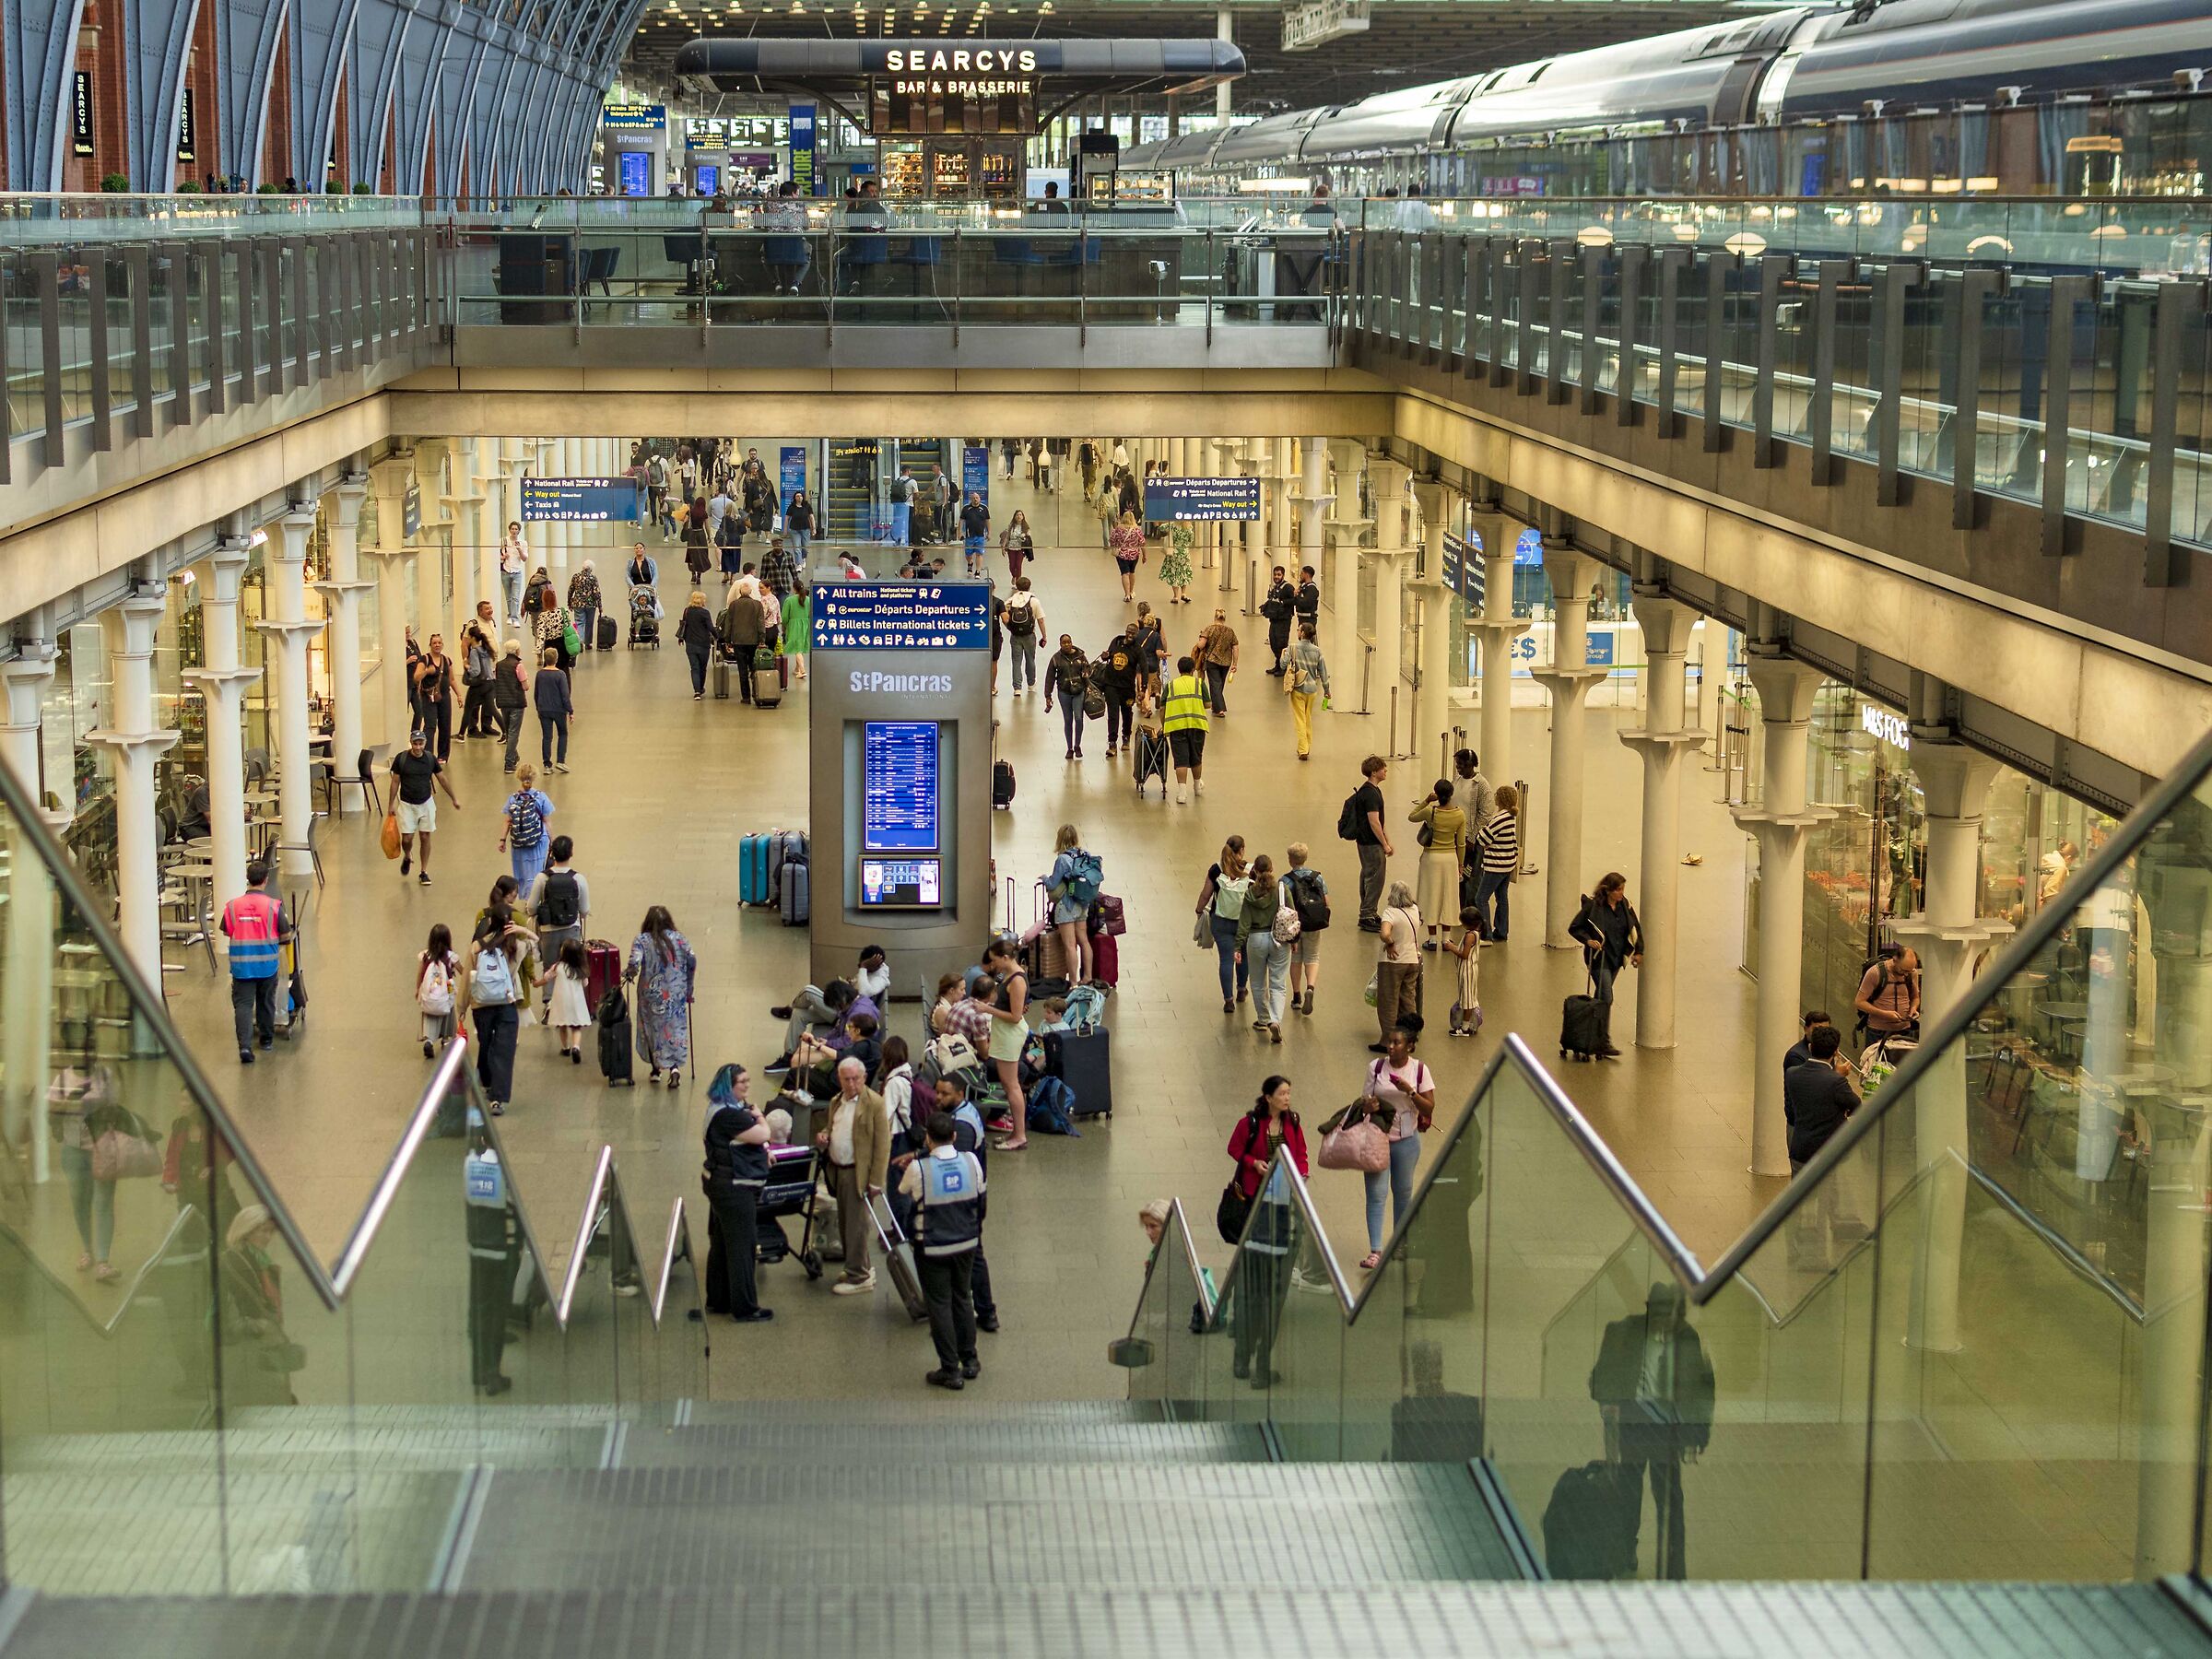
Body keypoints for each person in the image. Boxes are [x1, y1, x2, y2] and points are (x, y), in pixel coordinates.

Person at [1588, 1282, 1712, 1581]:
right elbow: (1599, 1378)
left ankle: (1673, 1566)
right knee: (1628, 1494)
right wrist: (1609, 1406)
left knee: (1670, 1500)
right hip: (1633, 1424)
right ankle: (1624, 1551)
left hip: (1666, 1430)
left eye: (1669, 1314)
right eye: (1657, 1314)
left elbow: (1701, 1389)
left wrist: (1696, 1434)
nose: (1663, 1321)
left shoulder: (1686, 1338)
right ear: (1647, 1311)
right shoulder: (1623, 1332)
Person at [1227, 1077, 1308, 1383]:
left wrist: (1301, 1174)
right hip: (1254, 1206)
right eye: (1282, 1093)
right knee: (1251, 1289)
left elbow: (1301, 1154)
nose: (1287, 1097)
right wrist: (1253, 1163)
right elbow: (1235, 1149)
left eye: (1289, 1092)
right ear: (1268, 1097)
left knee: (1271, 1297)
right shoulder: (1250, 1123)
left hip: (1282, 1209)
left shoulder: (1293, 1122)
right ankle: (1243, 1357)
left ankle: (1260, 1363)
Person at [902, 1111, 985, 1389]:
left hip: (932, 1246)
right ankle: (970, 1359)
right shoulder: (971, 1161)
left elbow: (904, 1191)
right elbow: (981, 1199)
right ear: (954, 1136)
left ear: (928, 1139)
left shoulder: (920, 1169)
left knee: (939, 1304)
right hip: (967, 1242)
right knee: (962, 1298)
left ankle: (950, 1369)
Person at [701, 1064, 775, 1324]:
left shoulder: (718, 1108)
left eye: (747, 1080)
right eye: (741, 1082)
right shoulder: (730, 1115)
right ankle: (745, 1307)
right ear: (728, 1085)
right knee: (743, 1247)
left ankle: (718, 1299)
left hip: (718, 1182)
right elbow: (764, 1134)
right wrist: (760, 1116)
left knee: (722, 1243)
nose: (747, 1085)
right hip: (734, 1187)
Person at [1359, 1017, 1435, 1270]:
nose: (1390, 1047)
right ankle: (1375, 1251)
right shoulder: (1376, 1067)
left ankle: (1400, 1243)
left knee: (1403, 1193)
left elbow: (1429, 1106)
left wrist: (1409, 1091)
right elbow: (1363, 1102)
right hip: (1377, 1139)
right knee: (1376, 1195)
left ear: (1410, 1046)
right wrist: (1369, 1105)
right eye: (1389, 1042)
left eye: (1396, 1043)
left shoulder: (1419, 1070)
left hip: (1407, 1141)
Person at [818, 1055, 890, 1294]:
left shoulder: (875, 1103)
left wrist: (876, 1181)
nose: (851, 1084)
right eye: (846, 1079)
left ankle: (859, 1277)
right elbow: (832, 1127)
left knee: (856, 1227)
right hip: (838, 1171)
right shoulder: (836, 1101)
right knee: (846, 1224)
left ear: (864, 1077)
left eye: (855, 1079)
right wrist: (825, 1135)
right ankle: (858, 1266)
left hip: (858, 1174)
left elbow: (882, 1145)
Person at [220, 1206, 300, 1406]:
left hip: (262, 1339)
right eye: (263, 1231)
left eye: (270, 1232)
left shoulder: (260, 1260)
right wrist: (262, 1326)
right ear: (246, 1231)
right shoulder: (237, 1261)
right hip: (251, 1343)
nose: (268, 1237)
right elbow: (235, 1306)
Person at [218, 859, 293, 1064]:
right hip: (267, 964)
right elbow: (286, 935)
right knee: (266, 1001)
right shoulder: (273, 906)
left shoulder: (232, 906)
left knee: (243, 1005)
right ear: (266, 880)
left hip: (241, 964)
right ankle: (266, 1040)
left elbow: (226, 931)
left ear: (248, 879)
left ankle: (244, 1046)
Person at [464, 1119, 515, 1395]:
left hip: (476, 1247)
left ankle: (478, 1369)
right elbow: (511, 1207)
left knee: (479, 1307)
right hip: (498, 1250)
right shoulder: (502, 1168)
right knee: (496, 1312)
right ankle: (493, 1372)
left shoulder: (470, 1163)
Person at [1569, 872, 1643, 1060]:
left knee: (1601, 997)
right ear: (1608, 890)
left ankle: (1590, 1035)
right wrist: (1588, 940)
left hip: (1616, 959)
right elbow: (1575, 927)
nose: (1621, 893)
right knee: (1607, 998)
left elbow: (1635, 928)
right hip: (1599, 959)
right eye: (1618, 890)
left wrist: (1639, 951)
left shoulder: (1625, 906)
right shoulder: (1594, 907)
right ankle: (1603, 1041)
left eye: (1622, 889)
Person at [463, 911, 531, 1116]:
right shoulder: (515, 947)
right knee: (504, 1050)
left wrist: (461, 1007)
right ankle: (498, 1098)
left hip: (481, 1004)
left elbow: (467, 978)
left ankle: (486, 1081)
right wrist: (524, 930)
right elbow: (537, 947)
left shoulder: (477, 947)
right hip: (506, 1002)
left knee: (486, 1044)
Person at [626, 905, 697, 1088]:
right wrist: (689, 987)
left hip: (651, 995)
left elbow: (635, 961)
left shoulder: (642, 940)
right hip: (676, 994)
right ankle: (674, 1069)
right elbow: (692, 959)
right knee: (674, 1029)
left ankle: (656, 1070)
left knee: (651, 1029)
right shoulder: (680, 939)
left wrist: (629, 974)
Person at [389, 726, 461, 887]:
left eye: (420, 744)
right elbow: (395, 782)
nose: (418, 747)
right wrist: (391, 804)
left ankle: (423, 871)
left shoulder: (430, 759)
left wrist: (454, 798)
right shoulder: (401, 759)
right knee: (406, 839)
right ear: (411, 743)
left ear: (425, 743)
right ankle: (408, 855)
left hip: (426, 804)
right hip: (407, 804)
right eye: (415, 744)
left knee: (425, 837)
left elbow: (442, 779)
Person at [526, 837, 591, 1013]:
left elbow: (531, 907)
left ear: (552, 854)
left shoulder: (542, 878)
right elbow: (585, 909)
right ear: (571, 853)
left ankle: (549, 1003)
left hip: (548, 930)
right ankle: (573, 1002)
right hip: (572, 929)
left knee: (549, 966)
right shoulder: (578, 878)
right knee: (573, 964)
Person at [981, 936, 1030, 1152]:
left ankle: (1020, 1135)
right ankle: (1016, 1132)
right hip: (1004, 1034)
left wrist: (987, 1009)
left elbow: (1015, 1016)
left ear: (1006, 957)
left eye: (995, 960)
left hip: (1010, 1035)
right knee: (1009, 1084)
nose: (993, 965)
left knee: (1012, 1086)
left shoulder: (1017, 980)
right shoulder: (1009, 975)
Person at [1785, 1024, 1859, 1171]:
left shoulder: (1792, 1073)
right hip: (1828, 1154)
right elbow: (1856, 1105)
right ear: (1836, 1051)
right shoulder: (1836, 1081)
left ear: (1810, 1047)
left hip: (1800, 1151)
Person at [1409, 778, 1469, 949]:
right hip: (1450, 859)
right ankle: (1446, 939)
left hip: (1431, 858)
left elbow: (1412, 816)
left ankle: (1432, 939)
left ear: (1436, 794)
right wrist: (1461, 864)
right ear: (1451, 794)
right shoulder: (1459, 814)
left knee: (1431, 895)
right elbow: (1461, 843)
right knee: (1448, 896)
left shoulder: (1430, 812)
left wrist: (1427, 800)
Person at [1237, 853, 1288, 1043]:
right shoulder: (1282, 890)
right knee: (1278, 983)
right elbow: (1291, 914)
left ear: (1255, 872)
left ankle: (1263, 1019)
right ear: (1272, 869)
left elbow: (1244, 922)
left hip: (1256, 939)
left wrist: (1237, 946)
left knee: (1258, 983)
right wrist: (1294, 941)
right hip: (1279, 939)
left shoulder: (1250, 894)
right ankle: (1275, 1020)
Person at [1198, 838, 1253, 1014]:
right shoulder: (1249, 870)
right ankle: (1241, 989)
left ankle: (1228, 1000)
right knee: (1243, 955)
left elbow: (1206, 894)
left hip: (1220, 921)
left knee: (1226, 959)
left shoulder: (1216, 869)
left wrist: (1199, 910)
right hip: (1244, 922)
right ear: (1242, 850)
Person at [1044, 823, 1099, 989]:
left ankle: (1073, 982)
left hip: (1067, 905)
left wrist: (1044, 879)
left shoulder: (1062, 859)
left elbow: (1053, 883)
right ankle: (1088, 977)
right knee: (1084, 941)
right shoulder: (1085, 854)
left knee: (1070, 945)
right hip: (1083, 904)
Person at [1374, 880, 1424, 1051]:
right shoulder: (1415, 910)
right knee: (1408, 1000)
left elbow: (1384, 933)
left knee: (1389, 1001)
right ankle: (1409, 1038)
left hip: (1393, 962)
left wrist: (1390, 943)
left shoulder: (1390, 912)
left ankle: (1388, 1041)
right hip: (1412, 960)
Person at [497, 760, 556, 891]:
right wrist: (553, 841)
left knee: (522, 871)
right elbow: (547, 821)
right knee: (537, 870)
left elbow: (507, 821)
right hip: (538, 840)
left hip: (519, 842)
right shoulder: (541, 797)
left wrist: (502, 840)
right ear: (534, 777)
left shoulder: (513, 798)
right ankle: (536, 896)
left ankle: (526, 894)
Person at [1348, 755, 1393, 930]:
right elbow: (1374, 822)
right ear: (1374, 772)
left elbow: (1379, 821)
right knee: (1375, 877)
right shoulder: (1371, 794)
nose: (1386, 770)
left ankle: (1369, 911)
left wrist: (1386, 839)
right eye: (1382, 768)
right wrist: (1384, 844)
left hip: (1365, 841)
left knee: (1368, 874)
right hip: (1371, 843)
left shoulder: (1369, 791)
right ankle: (1367, 913)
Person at [1472, 783, 1520, 942]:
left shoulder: (1499, 818)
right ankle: (1502, 930)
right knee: (1502, 897)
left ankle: (1486, 934)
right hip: (1508, 863)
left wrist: (1481, 833)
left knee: (1481, 898)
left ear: (1500, 799)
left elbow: (1482, 838)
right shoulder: (1511, 817)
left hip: (1496, 865)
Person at [1162, 654, 1209, 804]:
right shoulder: (1199, 683)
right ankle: (1197, 787)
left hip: (1177, 727)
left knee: (1181, 760)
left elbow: (1162, 708)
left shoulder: (1170, 685)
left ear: (1179, 670)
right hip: (1197, 725)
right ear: (1193, 669)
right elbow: (1208, 704)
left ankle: (1182, 794)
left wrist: (1164, 726)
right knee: (1196, 757)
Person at [715, 578, 768, 705]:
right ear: (750, 592)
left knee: (742, 670)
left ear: (739, 592)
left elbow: (729, 623)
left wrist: (727, 640)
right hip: (753, 641)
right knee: (754, 668)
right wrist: (762, 639)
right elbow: (761, 624)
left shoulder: (733, 605)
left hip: (738, 641)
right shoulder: (757, 605)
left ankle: (746, 697)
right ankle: (756, 693)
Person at [1095, 622, 1143, 759]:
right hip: (1111, 685)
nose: (1130, 635)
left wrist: (1143, 688)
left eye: (1133, 633)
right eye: (1128, 632)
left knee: (1127, 713)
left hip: (1127, 688)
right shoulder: (1116, 642)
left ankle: (1126, 737)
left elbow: (1144, 668)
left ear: (1137, 634)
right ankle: (1112, 743)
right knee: (1113, 715)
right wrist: (1105, 656)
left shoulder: (1137, 649)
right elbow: (1108, 655)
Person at [1284, 620, 1331, 761]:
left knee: (1300, 719)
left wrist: (1283, 654)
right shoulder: (1317, 651)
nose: (1297, 632)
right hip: (1312, 690)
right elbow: (1323, 672)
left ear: (1303, 633)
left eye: (1299, 630)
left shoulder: (1292, 648)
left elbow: (1283, 664)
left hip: (1298, 688)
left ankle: (1303, 749)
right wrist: (1327, 690)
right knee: (1307, 717)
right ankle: (1305, 746)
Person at [1854, 943, 1921, 1042]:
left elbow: (1915, 997)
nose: (1906, 974)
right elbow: (1859, 1002)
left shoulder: (1912, 973)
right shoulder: (1875, 973)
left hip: (1905, 1030)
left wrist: (1913, 1008)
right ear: (1895, 960)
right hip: (1878, 1031)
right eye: (1903, 970)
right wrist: (1884, 1014)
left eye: (1909, 971)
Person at [417, 922, 462, 1059]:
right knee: (448, 1008)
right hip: (447, 987)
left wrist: (418, 989)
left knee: (429, 1012)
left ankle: (429, 1040)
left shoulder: (425, 955)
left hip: (430, 990)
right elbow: (462, 971)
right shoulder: (451, 956)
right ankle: (446, 1038)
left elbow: (420, 974)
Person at [546, 936, 592, 1065]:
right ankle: (576, 1047)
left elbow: (547, 977)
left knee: (563, 1026)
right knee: (576, 1027)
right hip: (576, 1002)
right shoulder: (580, 969)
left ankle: (565, 1048)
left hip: (562, 1002)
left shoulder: (557, 967)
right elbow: (585, 983)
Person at [1044, 633, 1090, 759]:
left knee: (1079, 718)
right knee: (1068, 720)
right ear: (1060, 644)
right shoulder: (1056, 659)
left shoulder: (1081, 656)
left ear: (1072, 642)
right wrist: (1048, 695)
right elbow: (1050, 678)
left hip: (1079, 692)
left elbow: (1088, 670)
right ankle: (1069, 748)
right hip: (1064, 692)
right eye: (1064, 643)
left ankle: (1077, 745)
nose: (1066, 645)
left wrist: (1086, 675)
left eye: (1068, 642)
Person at [411, 632, 456, 760]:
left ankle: (443, 755)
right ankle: (428, 755)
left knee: (445, 725)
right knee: (430, 726)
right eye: (434, 643)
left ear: (442, 645)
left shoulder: (447, 660)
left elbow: (452, 679)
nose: (437, 645)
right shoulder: (425, 659)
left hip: (445, 696)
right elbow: (416, 678)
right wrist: (426, 671)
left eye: (439, 643)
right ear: (430, 645)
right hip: (428, 697)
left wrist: (459, 695)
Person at [457, 607, 499, 741]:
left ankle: (487, 725)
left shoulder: (491, 622)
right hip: (479, 671)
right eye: (487, 609)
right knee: (475, 702)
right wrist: (466, 662)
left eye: (491, 608)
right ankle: (472, 728)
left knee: (489, 700)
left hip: (490, 669)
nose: (490, 610)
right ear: (480, 611)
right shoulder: (473, 624)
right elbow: (464, 644)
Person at [490, 639, 529, 772]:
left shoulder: (499, 665)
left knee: (509, 731)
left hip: (503, 702)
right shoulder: (519, 666)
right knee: (513, 733)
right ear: (517, 650)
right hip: (516, 703)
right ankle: (509, 763)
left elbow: (496, 680)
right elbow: (525, 686)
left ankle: (514, 756)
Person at [1445, 905, 1484, 1036]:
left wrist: (1451, 947)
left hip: (1467, 971)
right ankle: (1467, 1023)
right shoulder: (1475, 934)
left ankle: (1465, 1028)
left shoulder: (1470, 936)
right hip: (1469, 970)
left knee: (1468, 1000)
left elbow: (1464, 954)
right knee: (1467, 996)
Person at [533, 647, 573, 771]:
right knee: (563, 733)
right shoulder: (560, 674)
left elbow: (536, 693)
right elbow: (565, 695)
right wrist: (570, 711)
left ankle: (547, 765)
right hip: (559, 709)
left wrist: (538, 708)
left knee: (547, 736)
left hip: (543, 709)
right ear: (556, 659)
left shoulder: (540, 674)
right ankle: (560, 761)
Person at [1194, 609, 1240, 715]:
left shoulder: (1209, 629)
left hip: (1212, 660)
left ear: (1215, 617)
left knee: (1215, 684)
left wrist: (1199, 641)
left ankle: (1220, 709)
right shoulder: (1230, 631)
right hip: (1226, 662)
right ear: (1224, 618)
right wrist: (1235, 664)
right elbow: (1235, 648)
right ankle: (1216, 705)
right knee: (1220, 684)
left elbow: (1201, 645)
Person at [1003, 576, 1042, 696]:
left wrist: (1009, 627)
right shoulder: (1034, 601)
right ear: (1029, 587)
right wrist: (1044, 636)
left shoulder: (1010, 601)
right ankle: (1031, 684)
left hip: (1015, 635)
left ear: (1017, 587)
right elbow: (1040, 620)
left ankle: (1017, 688)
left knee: (1016, 661)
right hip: (1029, 635)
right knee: (1030, 660)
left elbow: (1004, 616)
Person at [676, 589, 715, 699]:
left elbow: (684, 625)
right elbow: (710, 628)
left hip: (690, 643)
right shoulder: (705, 613)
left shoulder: (687, 611)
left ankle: (697, 691)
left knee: (694, 668)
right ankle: (701, 688)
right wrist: (717, 636)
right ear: (702, 601)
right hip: (704, 644)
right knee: (703, 667)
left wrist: (681, 638)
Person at [532, 583, 576, 677]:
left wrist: (538, 650)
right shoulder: (564, 612)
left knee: (549, 671)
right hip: (563, 644)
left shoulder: (543, 616)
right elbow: (569, 627)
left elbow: (541, 636)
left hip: (550, 646)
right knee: (564, 670)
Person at [1453, 747, 1495, 841]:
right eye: (1457, 763)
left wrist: (1472, 839)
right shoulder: (1456, 780)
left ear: (1469, 764)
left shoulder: (1481, 784)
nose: (1457, 766)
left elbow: (1486, 815)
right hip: (1452, 833)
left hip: (1467, 836)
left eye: (1460, 763)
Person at [1262, 566, 1296, 675]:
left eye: (1279, 575)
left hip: (1284, 620)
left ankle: (1283, 667)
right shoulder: (1274, 587)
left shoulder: (1288, 587)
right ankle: (1278, 664)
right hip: (1274, 619)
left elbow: (1294, 600)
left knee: (1282, 643)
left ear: (1283, 575)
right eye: (1275, 574)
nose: (1276, 577)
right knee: (1273, 642)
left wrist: (1283, 603)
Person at [1784, 1009, 1835, 1078]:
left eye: (1825, 1030)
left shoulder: (1828, 1050)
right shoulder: (1795, 1056)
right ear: (1805, 1029)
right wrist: (1838, 1073)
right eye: (1816, 1029)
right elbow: (1805, 1082)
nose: (1821, 1033)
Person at [1109, 510, 1145, 603]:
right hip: (1134, 555)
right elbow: (1142, 543)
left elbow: (1112, 540)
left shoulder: (1118, 529)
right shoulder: (1137, 530)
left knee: (1124, 573)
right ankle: (1131, 591)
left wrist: (1116, 546)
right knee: (1132, 572)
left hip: (1122, 555)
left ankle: (1127, 594)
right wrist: (1144, 555)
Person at [567, 560, 602, 653]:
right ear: (591, 569)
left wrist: (569, 602)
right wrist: (600, 606)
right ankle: (588, 643)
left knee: (579, 623)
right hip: (591, 604)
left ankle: (580, 641)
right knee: (589, 624)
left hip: (578, 604)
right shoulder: (593, 578)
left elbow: (570, 590)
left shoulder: (576, 577)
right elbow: (597, 593)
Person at [499, 521, 528, 623]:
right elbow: (494, 554)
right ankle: (510, 616)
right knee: (508, 597)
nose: (514, 531)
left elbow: (524, 559)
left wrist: (519, 549)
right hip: (505, 571)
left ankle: (514, 618)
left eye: (516, 529)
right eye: (512, 529)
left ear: (519, 531)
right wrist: (503, 557)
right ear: (509, 530)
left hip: (517, 572)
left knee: (516, 597)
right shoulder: (503, 541)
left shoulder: (523, 543)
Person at [1157, 524, 1193, 603]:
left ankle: (1176, 596)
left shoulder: (1172, 525)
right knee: (1184, 572)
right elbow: (1191, 539)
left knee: (1174, 573)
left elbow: (1161, 528)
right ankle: (1183, 594)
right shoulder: (1189, 526)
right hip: (1184, 553)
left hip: (1173, 552)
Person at [959, 491, 991, 578]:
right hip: (969, 535)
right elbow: (961, 521)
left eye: (977, 498)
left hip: (980, 536)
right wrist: (960, 533)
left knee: (979, 554)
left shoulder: (984, 508)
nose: (975, 500)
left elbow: (987, 521)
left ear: (979, 499)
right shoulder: (966, 508)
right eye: (973, 498)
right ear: (971, 499)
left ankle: (978, 571)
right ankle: (970, 563)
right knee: (968, 554)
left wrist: (989, 533)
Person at [1000, 508, 1035, 585]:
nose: (1019, 516)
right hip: (1011, 548)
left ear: (1023, 517)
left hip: (1021, 548)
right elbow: (1007, 537)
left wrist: (1025, 535)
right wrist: (1003, 547)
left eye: (1020, 515)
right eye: (1017, 515)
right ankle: (1014, 576)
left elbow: (1028, 537)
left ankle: (1018, 582)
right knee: (1012, 565)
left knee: (1018, 565)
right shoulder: (1011, 526)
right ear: (1015, 517)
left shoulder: (1025, 527)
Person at [1293, 565, 1321, 639]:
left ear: (1307, 574)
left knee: (1307, 641)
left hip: (1308, 621)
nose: (1300, 575)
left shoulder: (1312, 589)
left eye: (1302, 573)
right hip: (1302, 619)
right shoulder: (1303, 587)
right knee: (1302, 640)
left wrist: (1296, 596)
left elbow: (1305, 603)